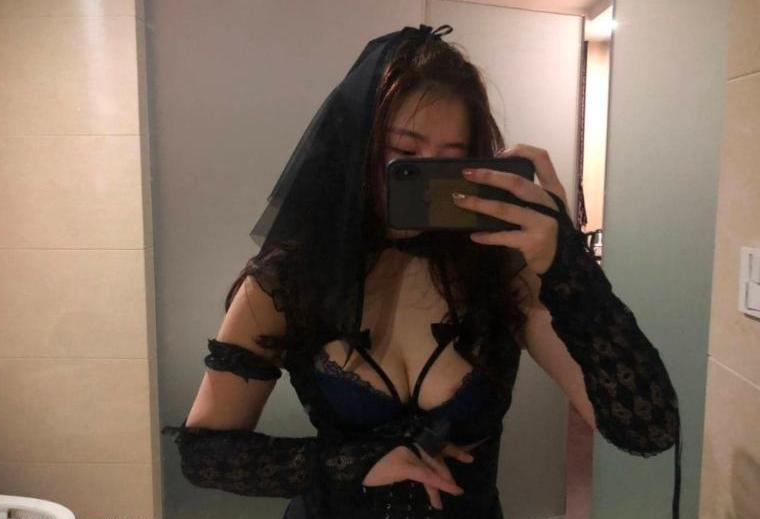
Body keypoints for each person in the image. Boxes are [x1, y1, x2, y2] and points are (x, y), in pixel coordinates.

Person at [162, 24, 682, 519]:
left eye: (450, 160)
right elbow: (203, 454)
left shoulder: (503, 274)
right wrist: (353, 463)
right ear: (358, 149)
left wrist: (568, 262)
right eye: (407, 155)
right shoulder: (289, 281)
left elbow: (647, 429)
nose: (428, 180)